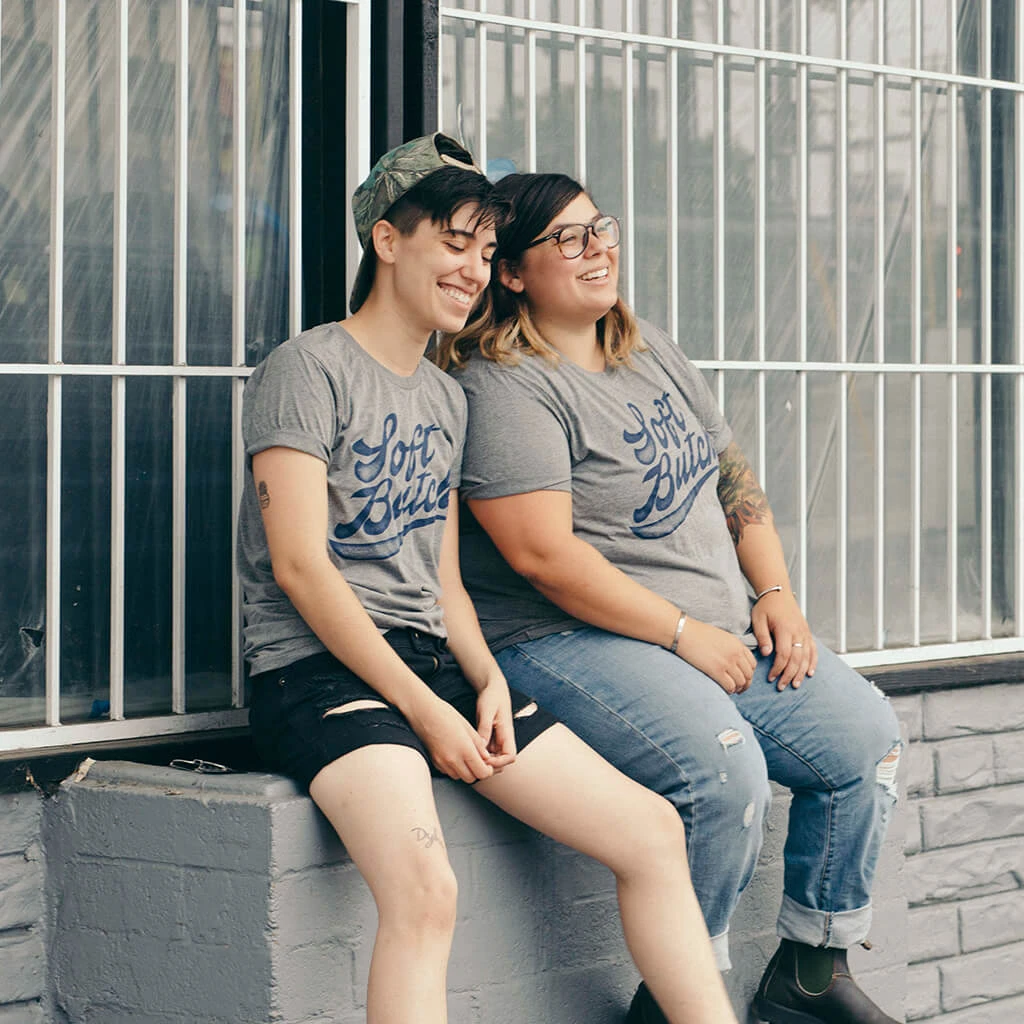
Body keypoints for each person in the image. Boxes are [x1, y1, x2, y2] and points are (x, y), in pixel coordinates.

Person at [237, 135, 738, 1024]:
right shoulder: (307, 368)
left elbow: (444, 580)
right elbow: (301, 568)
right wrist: (427, 710)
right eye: (453, 243)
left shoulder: (444, 395)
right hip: (316, 674)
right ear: (387, 240)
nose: (473, 269)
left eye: (485, 250)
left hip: (433, 663)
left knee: (653, 832)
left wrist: (485, 678)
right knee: (427, 890)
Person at [438, 171, 904, 1024]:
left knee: (863, 742)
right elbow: (543, 558)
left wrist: (776, 591)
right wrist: (682, 631)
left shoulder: (644, 345)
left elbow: (732, 477)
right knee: (721, 774)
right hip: (565, 637)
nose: (597, 249)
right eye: (567, 239)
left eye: (601, 228)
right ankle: (676, 1001)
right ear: (511, 272)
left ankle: (809, 973)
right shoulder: (503, 384)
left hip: (709, 629)